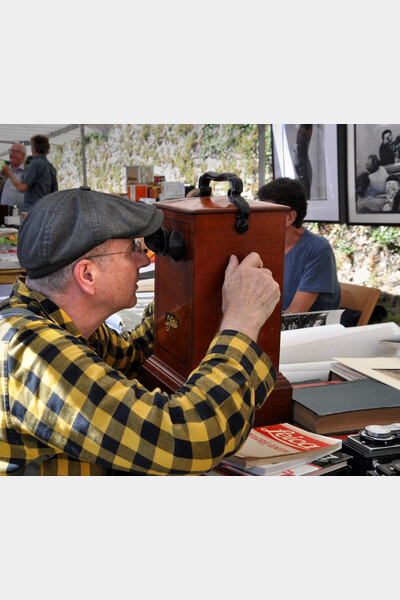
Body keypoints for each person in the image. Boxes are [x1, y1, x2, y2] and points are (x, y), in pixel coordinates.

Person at [0, 186, 280, 476]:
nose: (145, 260)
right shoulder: (32, 354)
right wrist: (242, 320)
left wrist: (190, 273)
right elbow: (189, 438)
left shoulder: (52, 320)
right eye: (133, 249)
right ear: (87, 275)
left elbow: (131, 354)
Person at [257, 177, 341, 313]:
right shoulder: (266, 246)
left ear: (289, 217)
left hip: (309, 332)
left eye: (266, 212)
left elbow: (295, 313)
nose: (258, 219)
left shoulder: (318, 250)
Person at [2, 134, 58, 212]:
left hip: (33, 210)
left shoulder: (35, 163)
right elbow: (55, 193)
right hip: (45, 210)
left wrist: (9, 174)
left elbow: (22, 187)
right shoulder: (50, 166)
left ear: (34, 147)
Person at [0, 143, 27, 213]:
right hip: (3, 216)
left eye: (15, 151)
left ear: (23, 155)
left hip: (22, 217)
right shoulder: (3, 171)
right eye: (11, 151)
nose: (11, 153)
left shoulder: (28, 171)